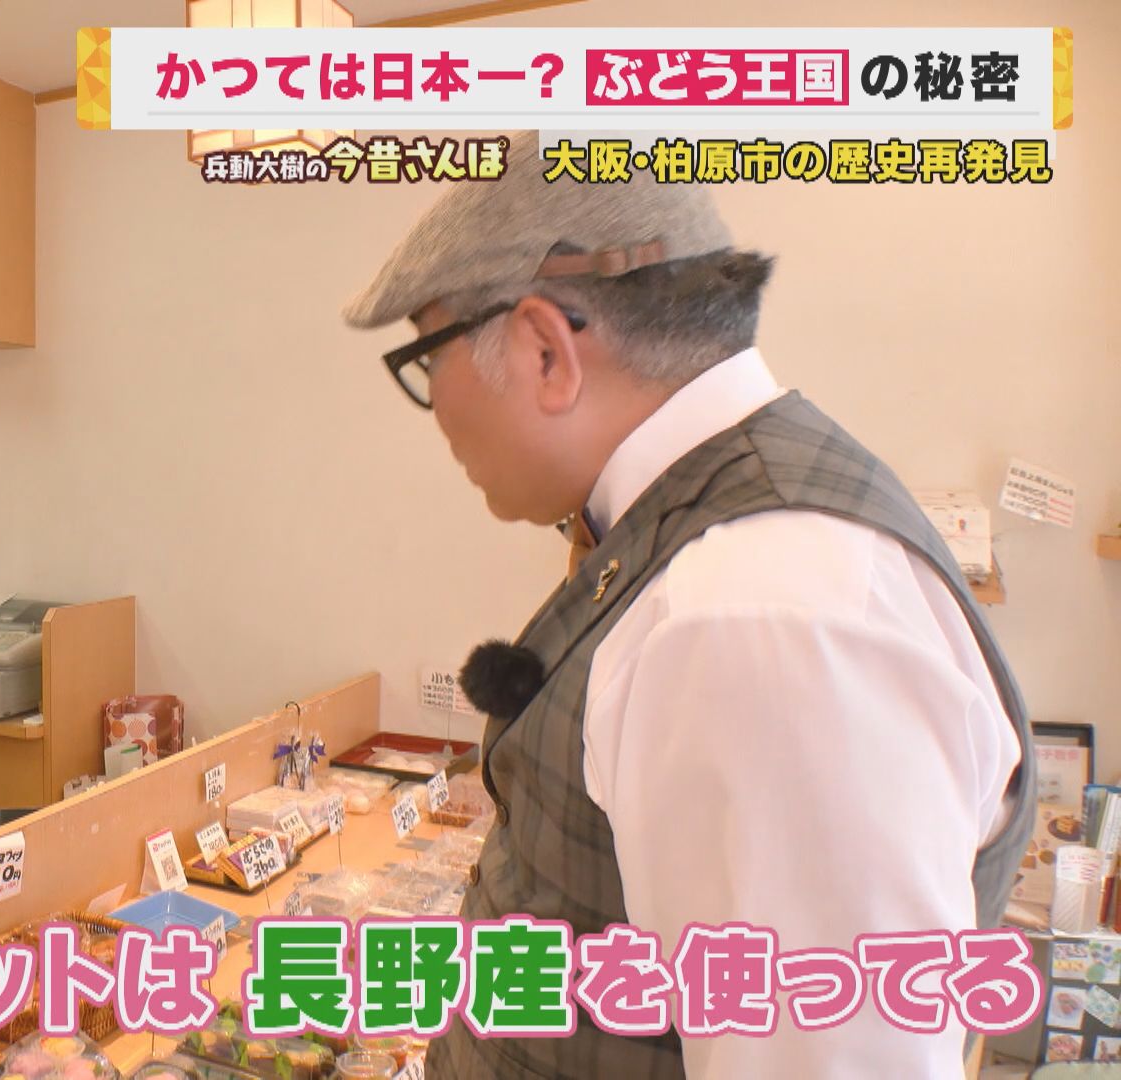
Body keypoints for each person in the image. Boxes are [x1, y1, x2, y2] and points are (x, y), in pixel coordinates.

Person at [342, 138, 1033, 1078]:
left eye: (427, 358)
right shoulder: (707, 535)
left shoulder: (758, 610)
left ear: (545, 349)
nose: (435, 410)